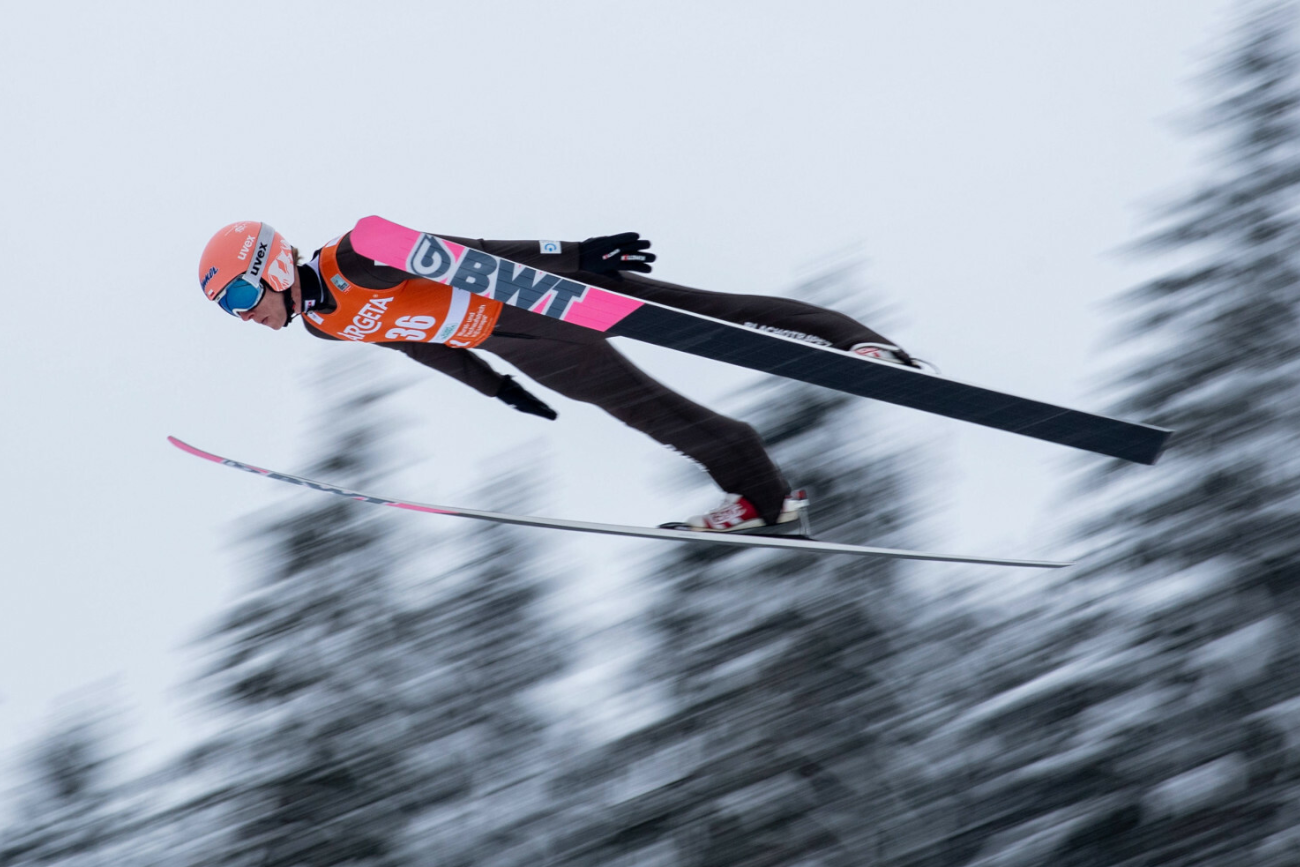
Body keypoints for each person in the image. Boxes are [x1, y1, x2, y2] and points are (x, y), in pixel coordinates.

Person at [197, 221, 918, 533]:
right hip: (526, 348)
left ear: (274, 265)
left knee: (714, 315)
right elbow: (413, 341)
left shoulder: (360, 252)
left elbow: (468, 252)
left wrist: (580, 254)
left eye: (237, 296)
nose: (243, 316)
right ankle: (766, 501)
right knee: (658, 418)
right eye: (227, 310)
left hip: (535, 298)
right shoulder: (324, 321)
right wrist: (495, 387)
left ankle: (863, 346)